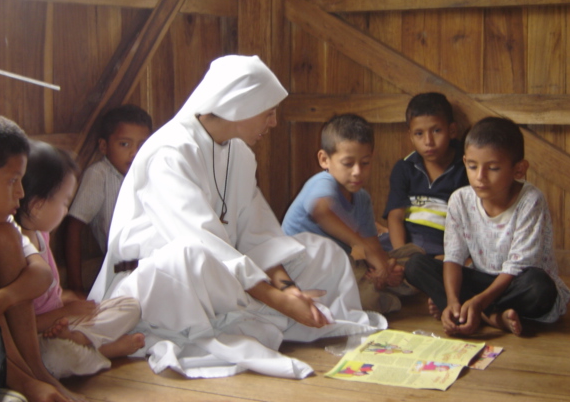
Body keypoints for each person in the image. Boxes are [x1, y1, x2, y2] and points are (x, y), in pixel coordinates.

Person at [89, 55, 385, 379]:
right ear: (239, 106)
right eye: (269, 113)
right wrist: (277, 299)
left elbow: (257, 234)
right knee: (194, 256)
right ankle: (260, 313)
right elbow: (204, 241)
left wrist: (287, 289)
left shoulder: (240, 153)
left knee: (323, 253)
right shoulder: (169, 152)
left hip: (228, 272)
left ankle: (255, 312)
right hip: (162, 277)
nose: (273, 123)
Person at [0, 112, 84, 401]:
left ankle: (35, 372)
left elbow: (41, 274)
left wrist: (2, 298)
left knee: (2, 236)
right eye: (13, 181)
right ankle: (23, 381)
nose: (21, 193)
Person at [404, 117, 570, 337]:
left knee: (539, 287)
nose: (480, 177)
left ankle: (477, 313)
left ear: (519, 170)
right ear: (465, 162)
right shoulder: (460, 200)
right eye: (472, 166)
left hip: (516, 282)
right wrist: (453, 300)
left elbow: (518, 266)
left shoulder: (530, 200)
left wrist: (477, 302)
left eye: (492, 168)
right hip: (481, 281)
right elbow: (453, 257)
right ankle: (486, 316)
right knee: (416, 265)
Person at [15, 141, 144, 379]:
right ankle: (103, 349)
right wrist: (65, 313)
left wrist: (65, 299)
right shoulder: (14, 250)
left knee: (130, 305)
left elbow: (49, 296)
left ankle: (83, 341)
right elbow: (19, 325)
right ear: (36, 205)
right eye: (64, 202)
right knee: (57, 357)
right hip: (38, 336)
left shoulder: (41, 235)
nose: (66, 211)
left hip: (63, 323)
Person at [282, 113, 408, 313]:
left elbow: (373, 246)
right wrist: (363, 250)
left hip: (346, 265)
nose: (357, 171)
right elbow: (321, 211)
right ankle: (368, 294)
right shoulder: (323, 182)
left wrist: (383, 269)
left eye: (365, 163)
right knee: (364, 291)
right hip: (305, 270)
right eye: (348, 163)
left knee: (411, 257)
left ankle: (376, 286)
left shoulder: (362, 198)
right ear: (324, 160)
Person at [65, 104, 152, 295]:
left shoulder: (152, 171)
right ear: (104, 146)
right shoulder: (99, 175)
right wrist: (76, 287)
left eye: (142, 145)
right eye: (124, 144)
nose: (134, 153)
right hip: (121, 272)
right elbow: (74, 227)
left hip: (155, 264)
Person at [380, 92, 468, 257]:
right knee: (366, 255)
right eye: (419, 134)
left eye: (436, 130)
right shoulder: (405, 168)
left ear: (452, 130)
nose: (428, 141)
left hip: (442, 247)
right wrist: (402, 255)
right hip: (406, 244)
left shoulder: (465, 168)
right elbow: (395, 217)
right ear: (411, 137)